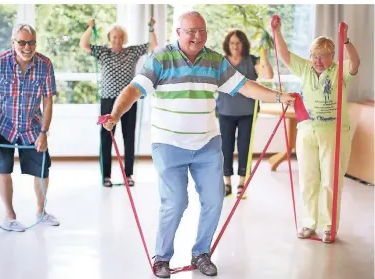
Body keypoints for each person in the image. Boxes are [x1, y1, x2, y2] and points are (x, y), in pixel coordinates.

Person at [103, 11, 294, 278]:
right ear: (178, 33)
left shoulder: (215, 60)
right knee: (176, 201)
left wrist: (279, 96)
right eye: (190, 31)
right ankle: (162, 257)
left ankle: (201, 253)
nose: (196, 36)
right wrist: (116, 114)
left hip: (206, 144)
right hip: (169, 144)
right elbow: (134, 90)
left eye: (201, 31)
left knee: (215, 198)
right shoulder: (161, 59)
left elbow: (244, 86)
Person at [271, 17, 360, 243]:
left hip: (334, 132)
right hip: (307, 131)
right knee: (309, 179)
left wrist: (346, 41)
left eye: (323, 55)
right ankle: (310, 223)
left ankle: (329, 226)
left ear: (332, 56)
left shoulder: (339, 70)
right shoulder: (306, 68)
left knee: (330, 180)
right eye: (314, 55)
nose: (318, 60)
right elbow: (284, 55)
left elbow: (355, 62)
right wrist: (278, 31)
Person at [0, 23, 60, 232]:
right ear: (13, 43)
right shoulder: (0, 63)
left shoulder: (45, 64)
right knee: (3, 170)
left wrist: (44, 133)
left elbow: (48, 101)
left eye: (32, 42)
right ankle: (10, 216)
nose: (27, 47)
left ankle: (40, 211)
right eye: (22, 42)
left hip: (32, 127)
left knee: (42, 170)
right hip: (4, 125)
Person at [79, 18, 158, 187]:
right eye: (114, 37)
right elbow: (84, 45)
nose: (117, 40)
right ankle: (106, 176)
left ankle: (128, 174)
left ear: (124, 39)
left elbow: (152, 45)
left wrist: (151, 28)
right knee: (107, 137)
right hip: (108, 99)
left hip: (128, 100)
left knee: (129, 138)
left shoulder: (131, 52)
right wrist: (90, 28)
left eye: (120, 37)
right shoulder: (102, 52)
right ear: (109, 38)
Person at [217, 30, 274, 197]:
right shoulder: (221, 62)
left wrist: (265, 59)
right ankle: (226, 182)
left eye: (238, 43)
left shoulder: (252, 60)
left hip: (247, 112)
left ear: (244, 44)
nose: (235, 46)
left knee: (244, 147)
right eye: (232, 43)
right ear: (228, 44)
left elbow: (268, 75)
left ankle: (242, 182)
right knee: (225, 147)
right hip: (225, 110)